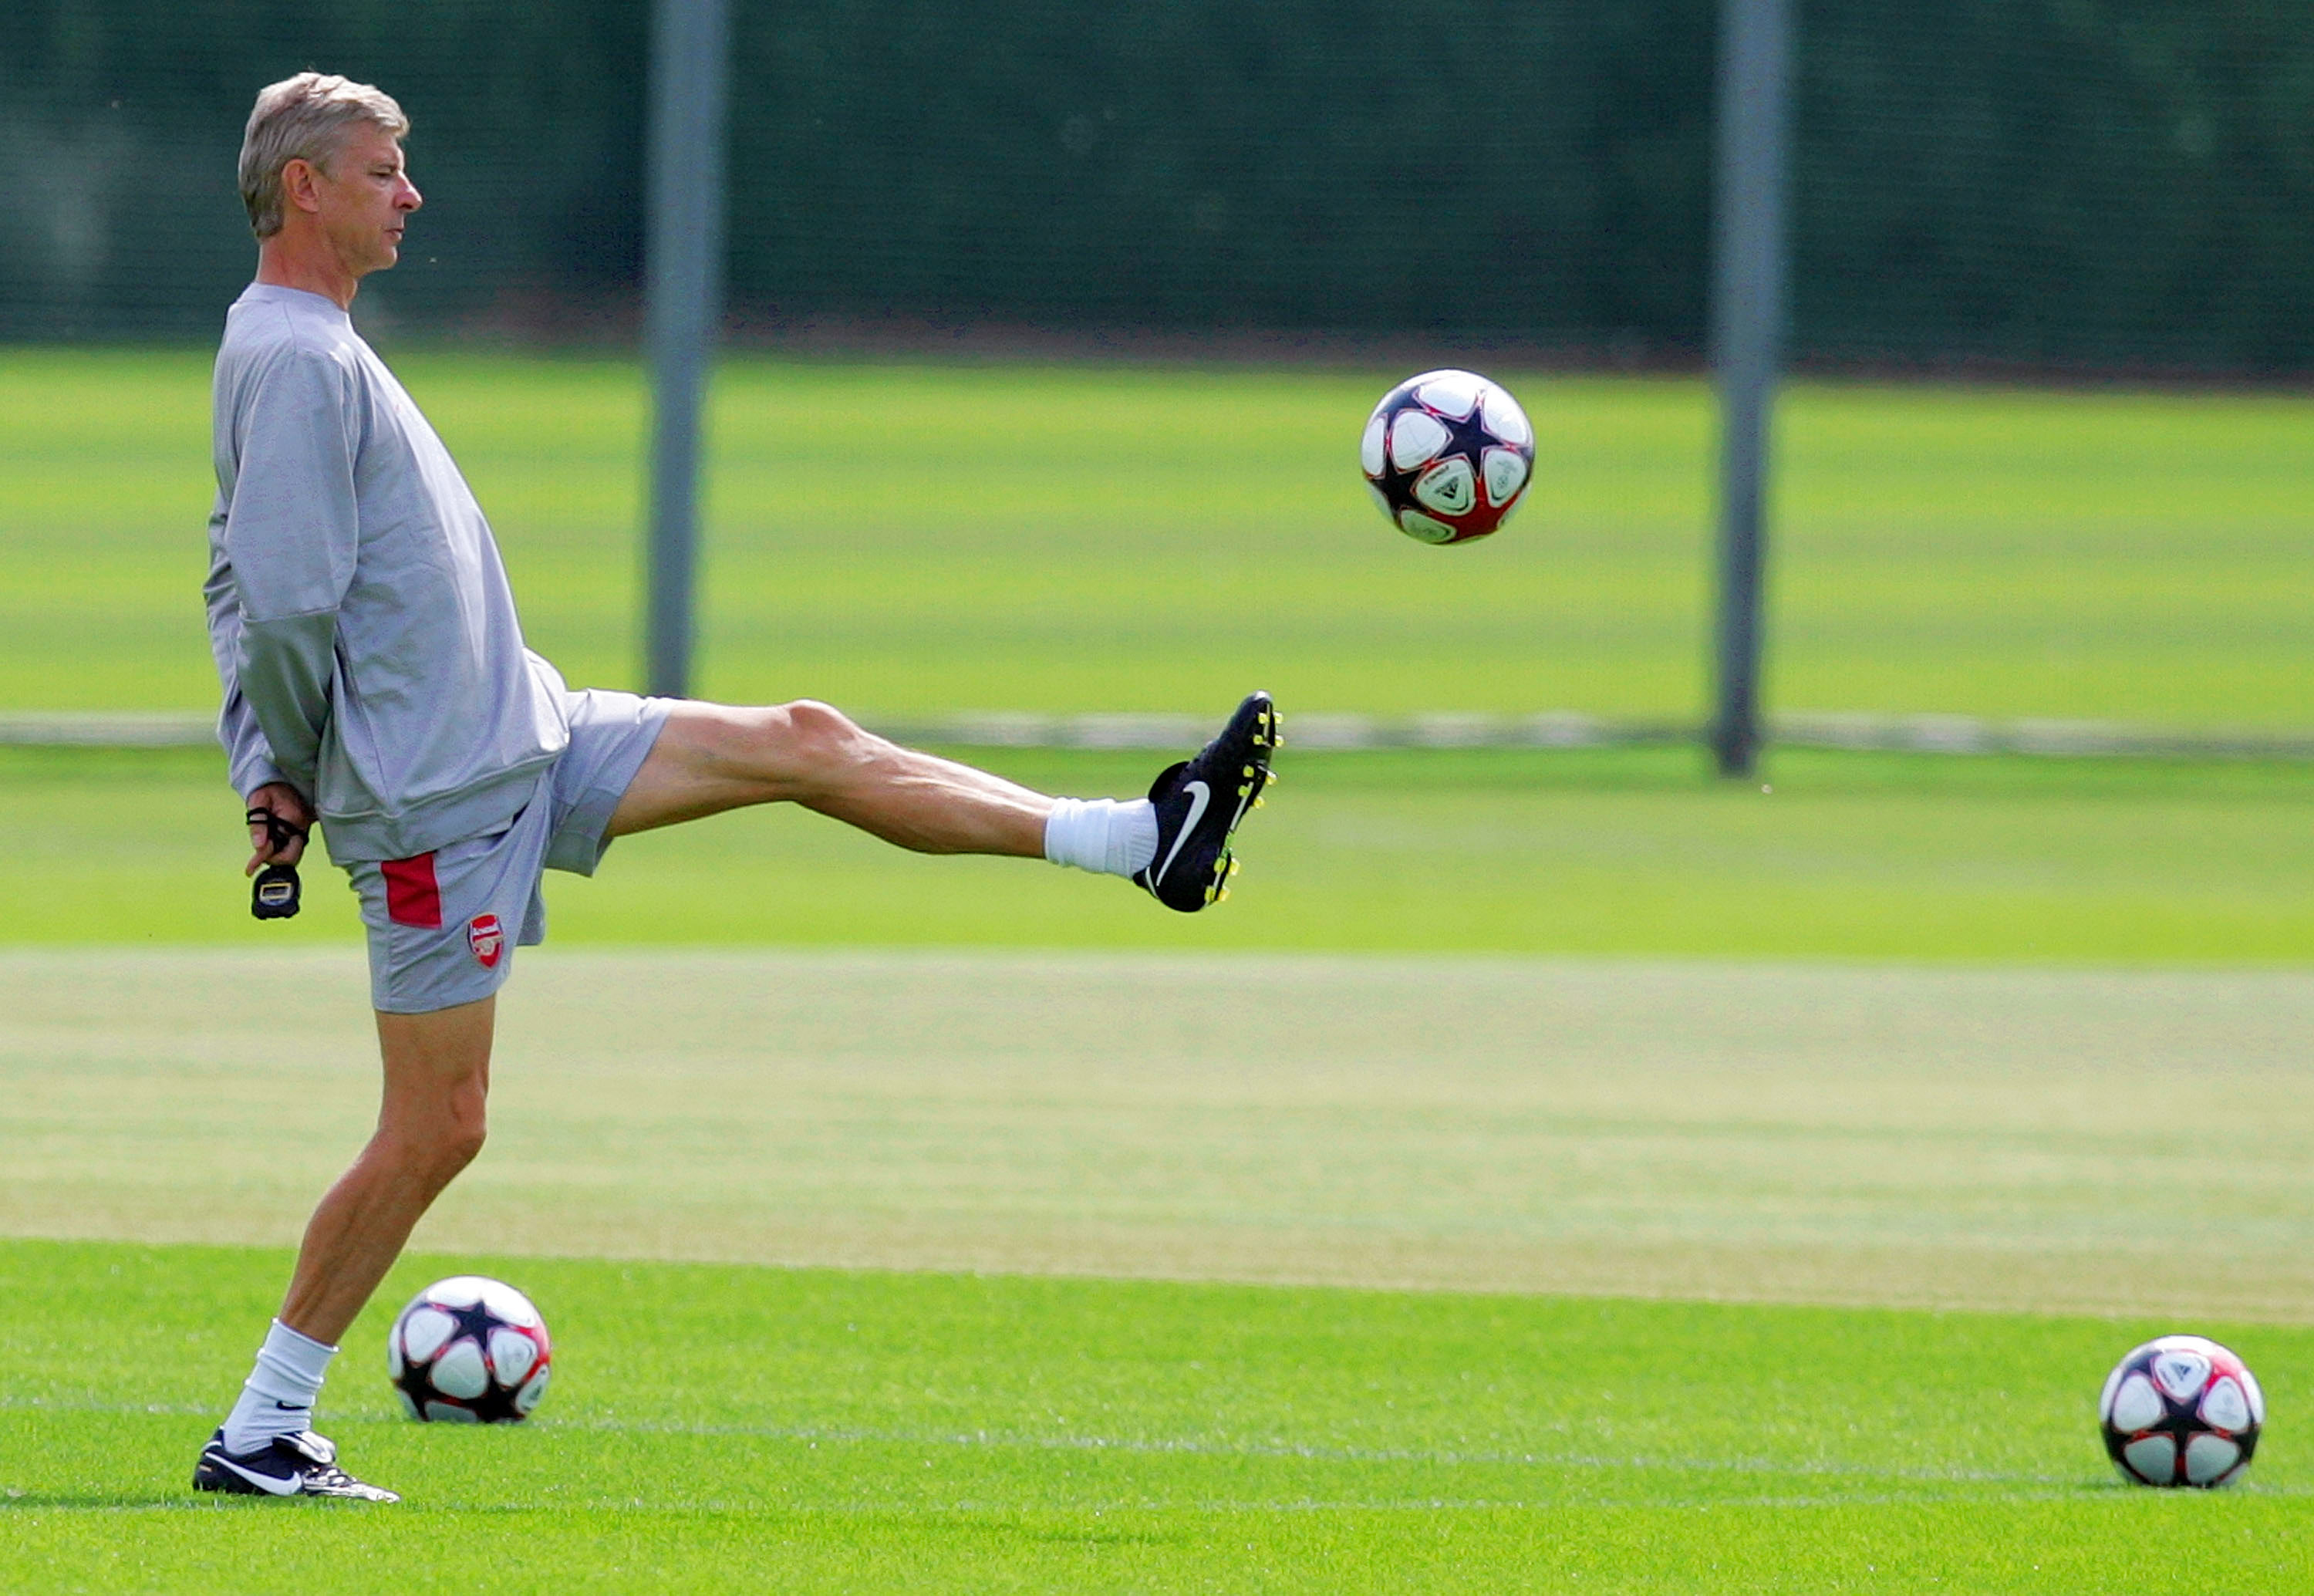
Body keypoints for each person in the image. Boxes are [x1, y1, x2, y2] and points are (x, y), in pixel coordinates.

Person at [191, 73, 1277, 1502]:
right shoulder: (298, 356)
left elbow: (240, 580)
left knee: (805, 738)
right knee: (440, 1125)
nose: (414, 194)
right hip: (435, 807)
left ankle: (1147, 839)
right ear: (309, 189)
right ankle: (264, 1426)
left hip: (527, 732)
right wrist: (279, 769)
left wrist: (270, 768)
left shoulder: (309, 342)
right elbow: (270, 604)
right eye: (387, 170)